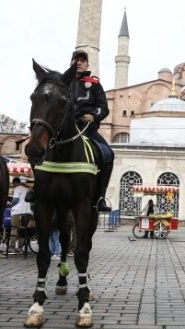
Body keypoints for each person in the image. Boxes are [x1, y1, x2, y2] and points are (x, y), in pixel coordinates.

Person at [69, 50, 114, 212]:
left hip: (86, 129)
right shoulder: (63, 82)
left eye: (82, 60)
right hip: (65, 128)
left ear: (87, 64)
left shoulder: (94, 84)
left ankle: (100, 197)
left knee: (108, 154)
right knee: (40, 147)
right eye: (76, 60)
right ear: (72, 63)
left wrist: (93, 116)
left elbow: (104, 108)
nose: (79, 63)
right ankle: (37, 189)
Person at [9, 177, 33, 251]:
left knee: (14, 228)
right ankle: (20, 247)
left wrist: (10, 204)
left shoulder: (17, 188)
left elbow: (16, 200)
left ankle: (11, 247)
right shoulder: (28, 189)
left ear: (15, 183)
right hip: (28, 213)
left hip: (17, 212)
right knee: (23, 230)